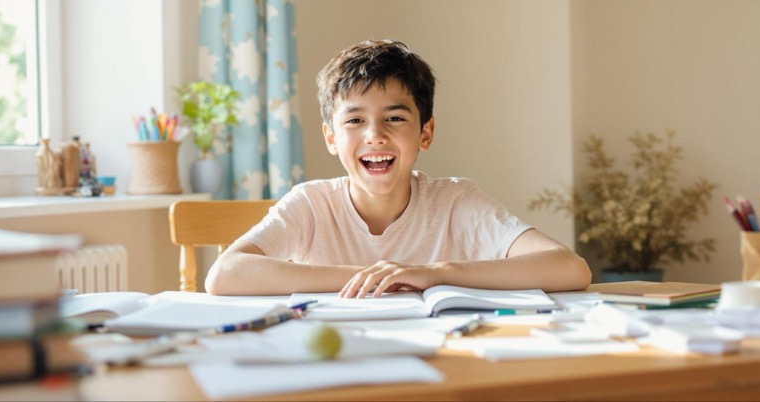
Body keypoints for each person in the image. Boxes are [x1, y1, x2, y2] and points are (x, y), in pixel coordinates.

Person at [206, 39, 590, 297]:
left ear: (425, 132)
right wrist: (380, 277)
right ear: (331, 137)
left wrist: (434, 273)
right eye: (354, 121)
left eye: (394, 118)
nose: (374, 135)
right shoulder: (311, 203)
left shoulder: (455, 201)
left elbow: (570, 269)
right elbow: (225, 274)